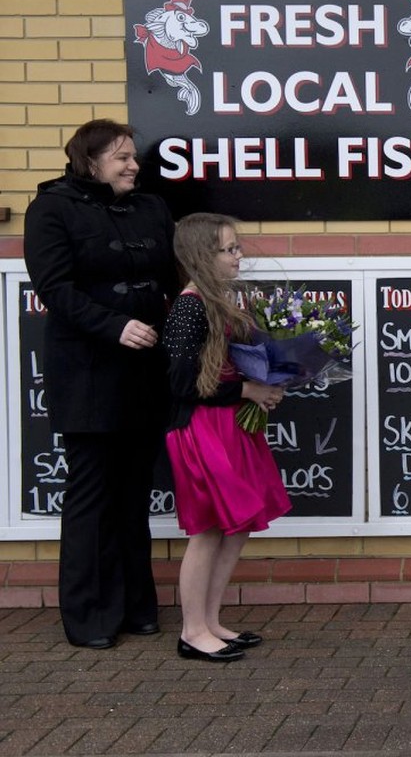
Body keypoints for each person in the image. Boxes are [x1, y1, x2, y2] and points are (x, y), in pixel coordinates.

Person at [23, 119, 178, 649]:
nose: (134, 164)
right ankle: (89, 616)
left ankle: (137, 607)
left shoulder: (152, 208)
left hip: (144, 369)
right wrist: (114, 326)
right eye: (122, 157)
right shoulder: (51, 208)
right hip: (88, 371)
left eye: (134, 156)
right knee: (91, 494)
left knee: (135, 492)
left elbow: (171, 279)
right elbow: (54, 287)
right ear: (90, 162)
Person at [163, 212, 290, 662]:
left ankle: (212, 619)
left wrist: (267, 385)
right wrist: (248, 389)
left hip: (232, 426)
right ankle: (193, 631)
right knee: (209, 530)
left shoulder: (224, 303)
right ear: (203, 255)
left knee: (236, 531)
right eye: (229, 249)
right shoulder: (189, 307)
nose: (239, 256)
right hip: (202, 431)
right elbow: (180, 383)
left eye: (237, 247)